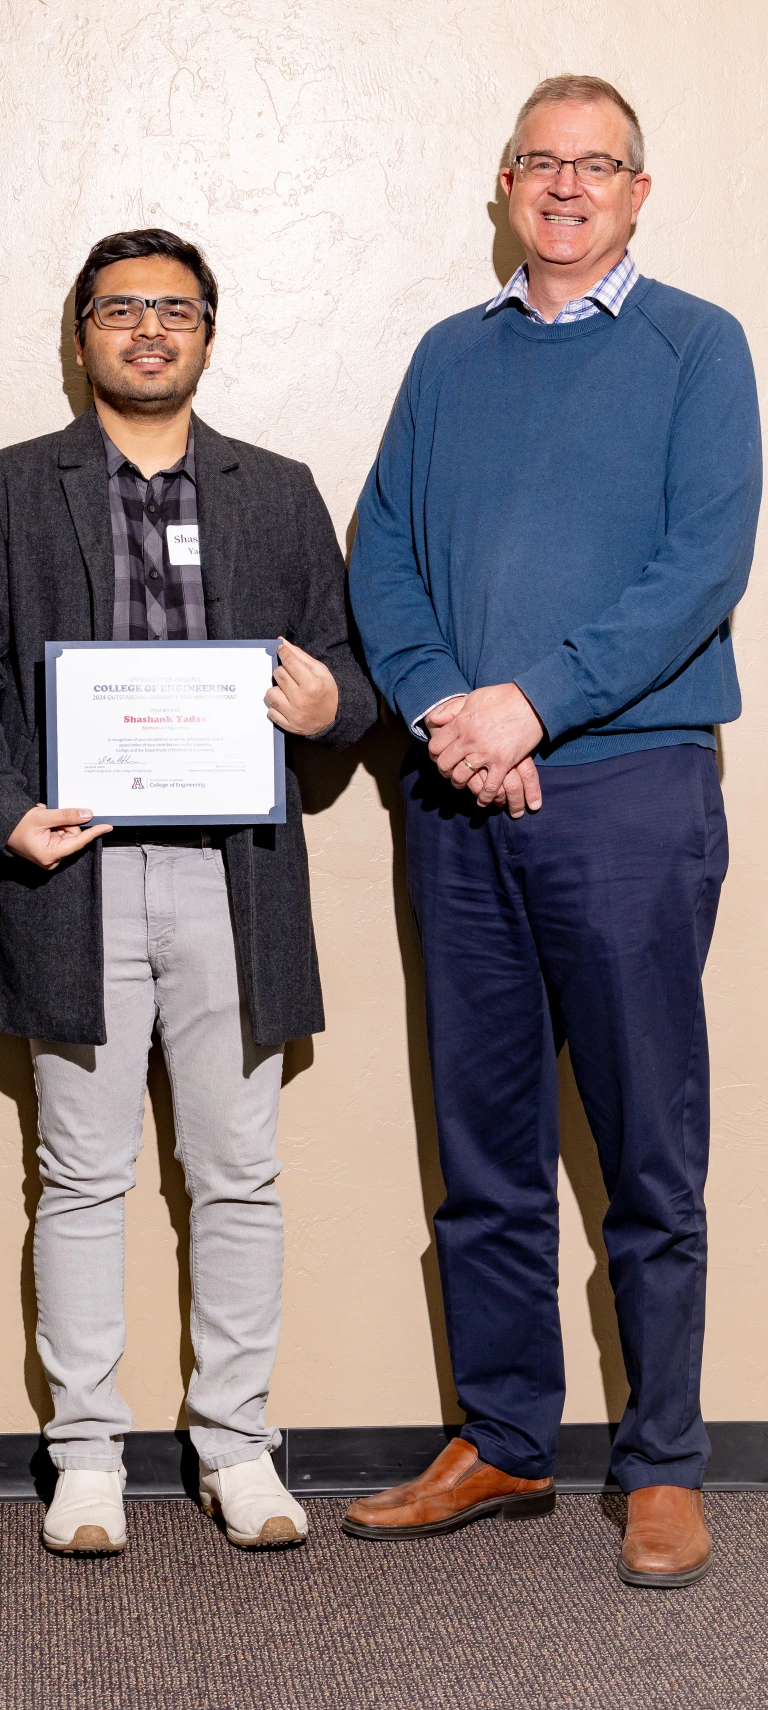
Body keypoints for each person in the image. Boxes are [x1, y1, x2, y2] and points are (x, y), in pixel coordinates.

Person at [346, 76, 761, 1587]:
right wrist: (458, 709)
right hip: (460, 792)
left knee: (649, 1140)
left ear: (640, 191)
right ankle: (508, 1435)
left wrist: (539, 707)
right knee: (486, 1143)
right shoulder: (448, 358)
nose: (568, 186)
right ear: (504, 186)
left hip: (630, 789)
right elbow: (381, 551)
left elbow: (701, 565)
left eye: (599, 166)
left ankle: (660, 1462)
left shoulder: (699, 346)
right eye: (542, 162)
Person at [0, 228, 377, 1556]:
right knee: (80, 1171)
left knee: (237, 1170)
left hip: (237, 878)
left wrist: (330, 697)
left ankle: (236, 1445)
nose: (150, 330)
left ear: (209, 333)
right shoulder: (8, 488)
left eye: (175, 309)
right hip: (74, 875)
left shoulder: (277, 490)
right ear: (82, 336)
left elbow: (350, 663)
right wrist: (5, 809)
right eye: (123, 310)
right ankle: (88, 1455)